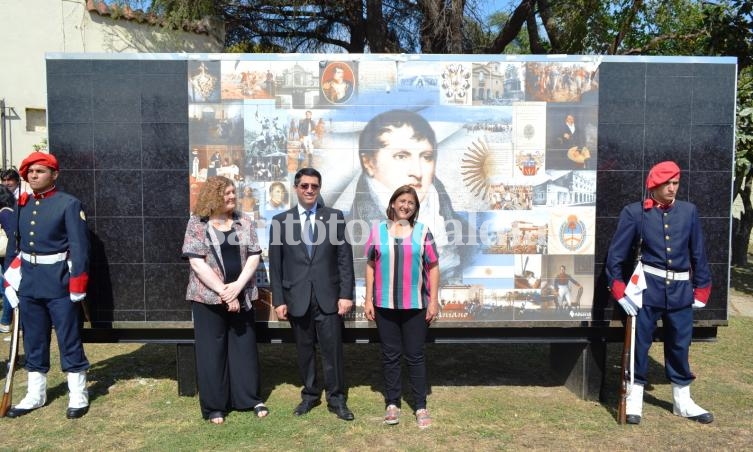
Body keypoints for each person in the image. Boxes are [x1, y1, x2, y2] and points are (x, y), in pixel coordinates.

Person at [606, 161, 713, 425]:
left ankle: (683, 402)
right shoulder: (635, 213)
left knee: (679, 344)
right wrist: (619, 291)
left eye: (676, 183)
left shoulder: (688, 212)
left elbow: (698, 252)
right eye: (667, 184)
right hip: (646, 289)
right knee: (639, 345)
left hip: (680, 290)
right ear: (654, 185)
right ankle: (634, 399)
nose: (672, 188)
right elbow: (616, 257)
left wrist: (702, 287)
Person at [333, 109, 468, 283]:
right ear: (369, 163)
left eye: (426, 157)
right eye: (401, 156)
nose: (417, 172)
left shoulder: (466, 236)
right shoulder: (347, 240)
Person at [4, 151, 91, 419]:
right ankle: (35, 394)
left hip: (59, 282)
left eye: (40, 171)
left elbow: (79, 247)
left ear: (54, 175)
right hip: (29, 281)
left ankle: (78, 393)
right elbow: (15, 245)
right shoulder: (22, 204)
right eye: (30, 172)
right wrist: (9, 279)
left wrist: (77, 284)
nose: (33, 175)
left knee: (68, 337)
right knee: (33, 338)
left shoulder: (68, 204)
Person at [268, 167, 355, 421]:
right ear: (296, 188)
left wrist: (346, 294)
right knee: (304, 351)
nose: (309, 190)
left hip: (329, 298)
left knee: (332, 351)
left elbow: (344, 260)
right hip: (297, 298)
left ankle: (337, 399)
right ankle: (310, 395)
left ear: (319, 189)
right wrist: (279, 299)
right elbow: (276, 265)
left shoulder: (335, 217)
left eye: (314, 186)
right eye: (304, 186)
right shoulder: (280, 222)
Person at [181, 175, 268, 424]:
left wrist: (238, 287)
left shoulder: (244, 221)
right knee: (212, 351)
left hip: (242, 295)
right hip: (207, 298)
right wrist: (223, 291)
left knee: (244, 348)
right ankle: (215, 406)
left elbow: (254, 256)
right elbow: (196, 262)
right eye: (226, 193)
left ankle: (249, 398)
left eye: (233, 193)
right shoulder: (197, 223)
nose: (232, 197)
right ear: (213, 195)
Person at [363, 185, 440, 429]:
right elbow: (371, 266)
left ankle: (420, 406)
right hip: (384, 305)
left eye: (411, 203)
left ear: (415, 208)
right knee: (390, 356)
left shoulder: (423, 232)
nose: (406, 206)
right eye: (402, 201)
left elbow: (433, 267)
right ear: (393, 203)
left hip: (415, 305)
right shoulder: (377, 231)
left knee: (416, 356)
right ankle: (392, 403)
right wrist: (367, 299)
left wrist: (434, 300)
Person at [0, 185, 15, 333]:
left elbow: (12, 236)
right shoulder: (9, 210)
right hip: (8, 257)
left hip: (9, 257)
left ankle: (5, 322)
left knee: (7, 289)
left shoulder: (4, 213)